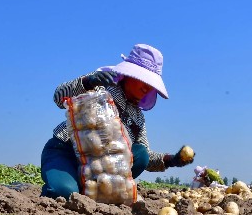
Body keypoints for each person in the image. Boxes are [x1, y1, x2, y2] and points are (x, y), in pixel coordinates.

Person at [40, 43, 193, 199]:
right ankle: (65, 185)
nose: (147, 88)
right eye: (144, 81)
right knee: (63, 192)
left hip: (97, 169)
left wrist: (171, 160)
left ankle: (91, 191)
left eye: (151, 85)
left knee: (140, 153)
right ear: (130, 75)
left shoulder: (138, 118)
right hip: (65, 151)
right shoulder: (101, 85)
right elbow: (59, 98)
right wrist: (87, 82)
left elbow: (145, 157)